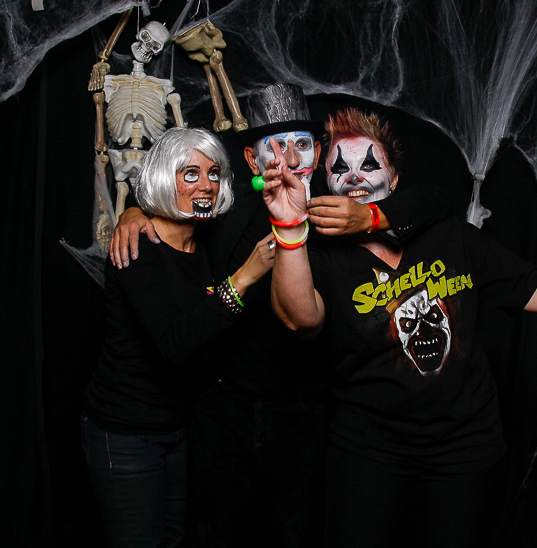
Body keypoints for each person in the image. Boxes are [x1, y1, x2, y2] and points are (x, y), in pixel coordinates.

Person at [261, 108, 537, 548]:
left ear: (394, 180)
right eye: (340, 168)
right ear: (326, 182)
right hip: (369, 451)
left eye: (369, 164)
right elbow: (301, 320)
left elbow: (532, 286)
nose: (355, 176)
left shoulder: (447, 235)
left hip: (465, 450)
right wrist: (289, 226)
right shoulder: (320, 255)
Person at [108, 84, 457, 548]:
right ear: (252, 162)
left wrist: (371, 217)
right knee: (216, 531)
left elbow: (439, 197)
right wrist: (135, 209)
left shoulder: (341, 206)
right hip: (221, 408)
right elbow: (176, 195)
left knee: (295, 531)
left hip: (304, 407)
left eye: (303, 145)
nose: (291, 159)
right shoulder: (226, 210)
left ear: (319, 154)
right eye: (276, 147)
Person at [81, 126, 275, 548]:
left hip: (178, 428)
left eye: (213, 173)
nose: (206, 184)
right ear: (163, 178)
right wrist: (244, 277)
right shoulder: (137, 249)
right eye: (190, 173)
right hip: (126, 433)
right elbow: (175, 343)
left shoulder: (204, 242)